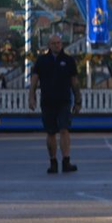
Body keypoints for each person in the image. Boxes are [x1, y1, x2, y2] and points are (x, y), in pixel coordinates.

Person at [29, 34, 82, 174]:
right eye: (54, 43)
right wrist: (31, 97)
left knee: (64, 129)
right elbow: (34, 80)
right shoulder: (42, 61)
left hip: (64, 100)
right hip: (47, 101)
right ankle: (53, 162)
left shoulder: (68, 60)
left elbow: (74, 82)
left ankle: (66, 161)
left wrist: (78, 100)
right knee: (51, 132)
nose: (57, 45)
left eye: (59, 43)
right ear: (49, 45)